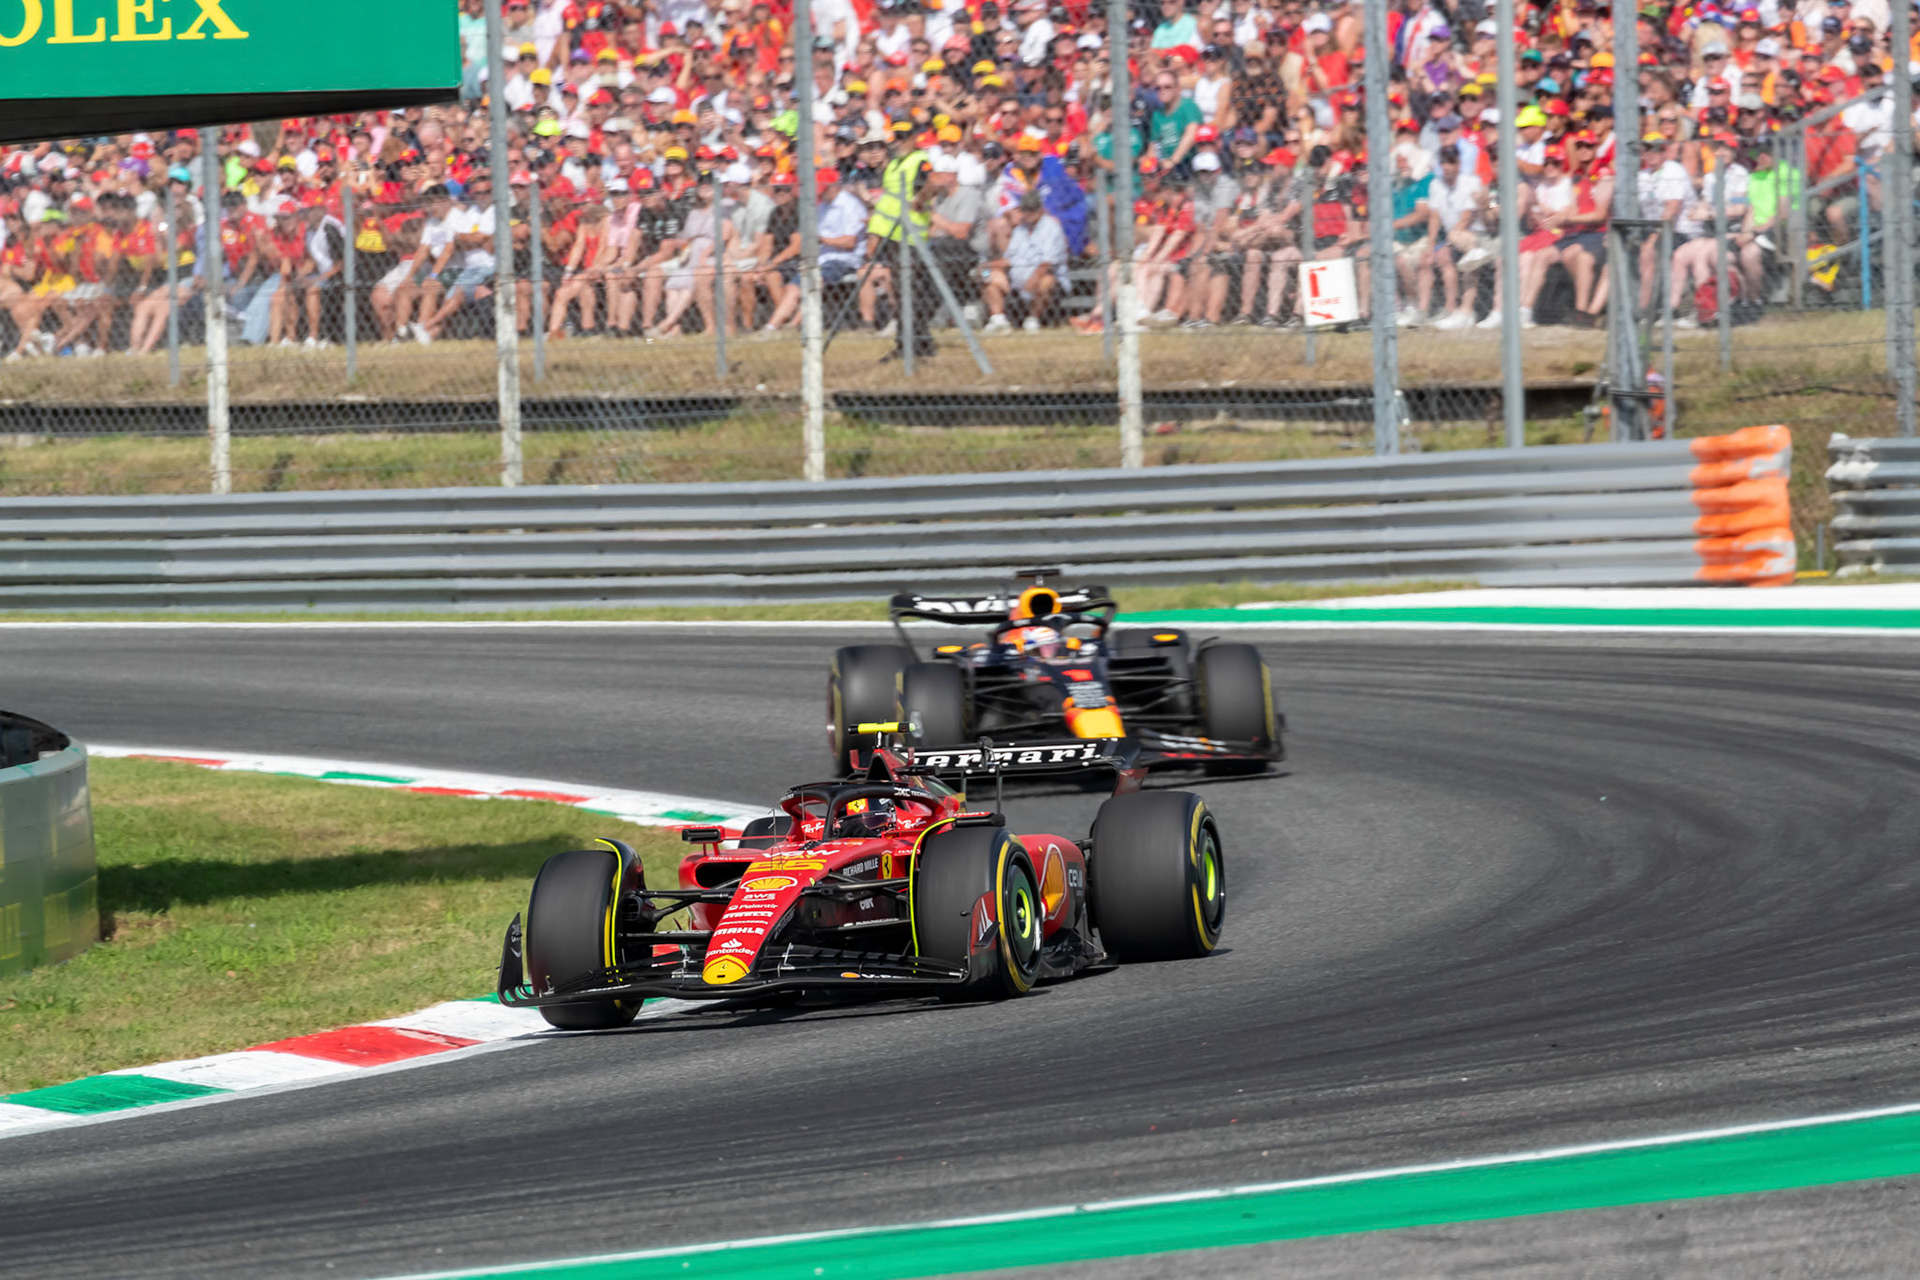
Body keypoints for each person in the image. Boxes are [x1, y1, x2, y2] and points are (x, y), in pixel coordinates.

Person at [865, 121, 936, 361]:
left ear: (914, 138)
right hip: (895, 235)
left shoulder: (919, 160)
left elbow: (934, 182)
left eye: (904, 137)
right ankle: (911, 342)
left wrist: (921, 199)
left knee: (911, 292)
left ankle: (915, 343)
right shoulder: (894, 165)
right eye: (897, 137)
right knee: (902, 292)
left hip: (913, 236)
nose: (900, 142)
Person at [983, 190, 1067, 330]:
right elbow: (1010, 259)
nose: (1028, 214)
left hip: (1041, 278)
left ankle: (1033, 319)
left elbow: (1047, 263)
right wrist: (987, 266)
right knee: (988, 276)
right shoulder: (1020, 230)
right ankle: (998, 319)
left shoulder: (1051, 227)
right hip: (1016, 280)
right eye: (1025, 210)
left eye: (1032, 210)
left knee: (1047, 281)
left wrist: (1031, 281)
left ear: (1040, 209)